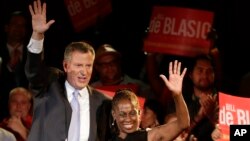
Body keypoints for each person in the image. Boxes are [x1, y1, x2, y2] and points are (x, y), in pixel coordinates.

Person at [25, 0, 110, 141]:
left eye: (88, 65)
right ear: (66, 66)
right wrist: (37, 35)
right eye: (78, 65)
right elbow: (33, 71)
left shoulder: (103, 102)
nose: (84, 71)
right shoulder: (48, 87)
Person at [110, 60, 190, 141]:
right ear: (114, 114)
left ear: (139, 113)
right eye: (122, 114)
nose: (128, 119)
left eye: (132, 113)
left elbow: (183, 124)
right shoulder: (105, 137)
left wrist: (177, 95)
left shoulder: (149, 137)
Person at [0, 10, 30, 121]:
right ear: (6, 28)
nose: (19, 28)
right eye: (15, 24)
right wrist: (8, 67)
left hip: (31, 114)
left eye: (22, 26)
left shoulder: (34, 53)